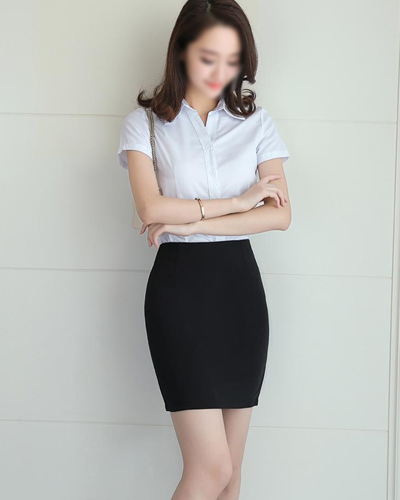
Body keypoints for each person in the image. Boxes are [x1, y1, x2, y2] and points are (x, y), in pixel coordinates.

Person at [117, 1, 291, 498]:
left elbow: (279, 214)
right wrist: (236, 202)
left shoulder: (256, 123)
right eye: (208, 57)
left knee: (231, 475)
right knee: (210, 469)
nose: (221, 72)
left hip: (239, 289)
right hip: (180, 291)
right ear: (182, 50)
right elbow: (151, 208)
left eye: (232, 60)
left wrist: (191, 223)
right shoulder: (145, 124)